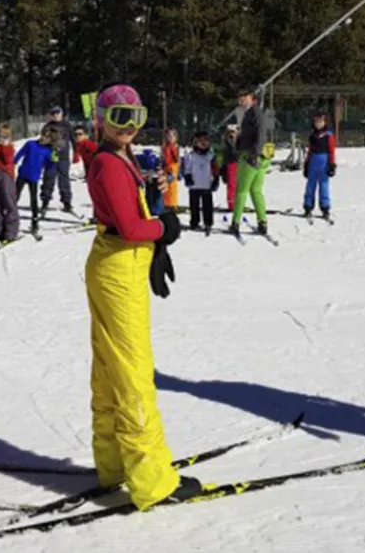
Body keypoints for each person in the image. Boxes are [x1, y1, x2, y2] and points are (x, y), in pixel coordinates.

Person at [84, 83, 198, 510]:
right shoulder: (110, 162)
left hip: (117, 261)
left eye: (135, 116)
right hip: (118, 264)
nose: (128, 126)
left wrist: (153, 235)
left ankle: (114, 464)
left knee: (111, 364)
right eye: (118, 117)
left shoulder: (118, 157)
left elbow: (128, 219)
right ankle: (151, 478)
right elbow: (132, 227)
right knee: (132, 368)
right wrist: (163, 227)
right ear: (102, 119)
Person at [230, 88, 267, 236]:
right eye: (240, 97)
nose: (241, 100)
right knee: (256, 190)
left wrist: (254, 153)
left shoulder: (255, 112)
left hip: (250, 155)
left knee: (241, 190)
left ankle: (236, 222)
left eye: (244, 97)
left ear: (252, 98)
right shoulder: (250, 113)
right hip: (256, 155)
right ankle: (262, 221)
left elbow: (260, 133)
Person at [14, 127, 57, 234]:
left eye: (48, 137)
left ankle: (34, 222)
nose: (44, 138)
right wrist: (12, 164)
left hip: (34, 177)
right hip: (23, 174)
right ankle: (10, 218)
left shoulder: (48, 151)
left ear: (51, 140)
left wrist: (53, 160)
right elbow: (19, 154)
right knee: (15, 196)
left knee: (33, 199)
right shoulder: (30, 144)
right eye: (43, 135)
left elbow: (48, 166)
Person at [182, 131, 219, 235]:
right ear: (195, 142)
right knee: (194, 206)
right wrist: (188, 177)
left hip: (206, 185)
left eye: (205, 142)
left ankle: (208, 223)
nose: (203, 144)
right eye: (200, 142)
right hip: (194, 185)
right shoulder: (191, 156)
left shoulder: (211, 155)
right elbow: (187, 169)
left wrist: (216, 179)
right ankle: (194, 222)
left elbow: (215, 169)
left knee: (207, 206)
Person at [40, 106, 74, 214]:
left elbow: (73, 138)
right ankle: (45, 201)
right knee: (49, 179)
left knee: (64, 180)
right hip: (51, 156)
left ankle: (67, 202)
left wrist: (77, 151)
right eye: (53, 113)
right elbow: (42, 142)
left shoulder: (67, 125)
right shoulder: (47, 126)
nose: (55, 115)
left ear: (61, 113)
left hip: (63, 157)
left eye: (57, 112)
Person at [303, 111, 337, 220]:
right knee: (310, 186)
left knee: (324, 186)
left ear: (325, 122)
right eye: (316, 122)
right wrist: (306, 164)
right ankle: (308, 207)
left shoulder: (329, 136)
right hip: (313, 162)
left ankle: (325, 208)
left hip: (324, 162)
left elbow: (331, 151)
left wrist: (332, 164)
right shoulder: (312, 136)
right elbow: (310, 151)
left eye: (321, 122)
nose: (318, 124)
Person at [216, 126, 239, 211]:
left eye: (233, 133)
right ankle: (231, 205)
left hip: (238, 164)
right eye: (230, 134)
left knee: (239, 186)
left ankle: (238, 203)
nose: (232, 136)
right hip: (230, 165)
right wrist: (222, 170)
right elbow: (223, 158)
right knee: (231, 186)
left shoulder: (239, 143)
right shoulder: (225, 145)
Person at [162, 128, 181, 213]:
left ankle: (173, 205)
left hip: (173, 167)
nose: (169, 138)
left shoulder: (175, 146)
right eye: (168, 136)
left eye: (171, 136)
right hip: (167, 167)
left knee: (173, 187)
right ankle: (167, 204)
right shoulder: (165, 146)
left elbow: (177, 159)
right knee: (166, 187)